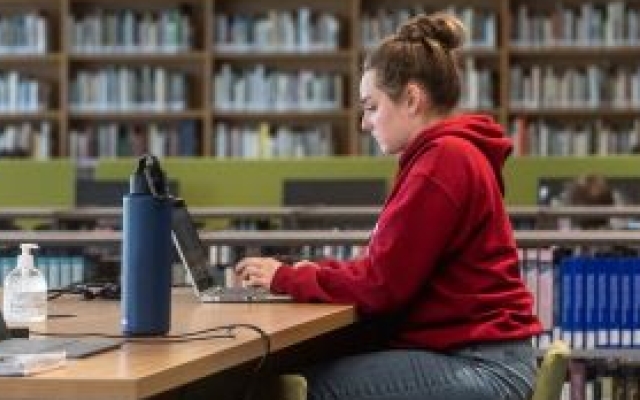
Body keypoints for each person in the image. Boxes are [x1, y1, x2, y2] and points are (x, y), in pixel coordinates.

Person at [236, 12, 542, 400]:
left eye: (372, 106)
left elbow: (382, 287)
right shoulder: (448, 154)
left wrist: (286, 278)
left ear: (412, 98)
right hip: (475, 354)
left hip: (482, 366)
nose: (365, 123)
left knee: (300, 388)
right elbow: (389, 267)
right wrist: (316, 272)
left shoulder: (442, 162)